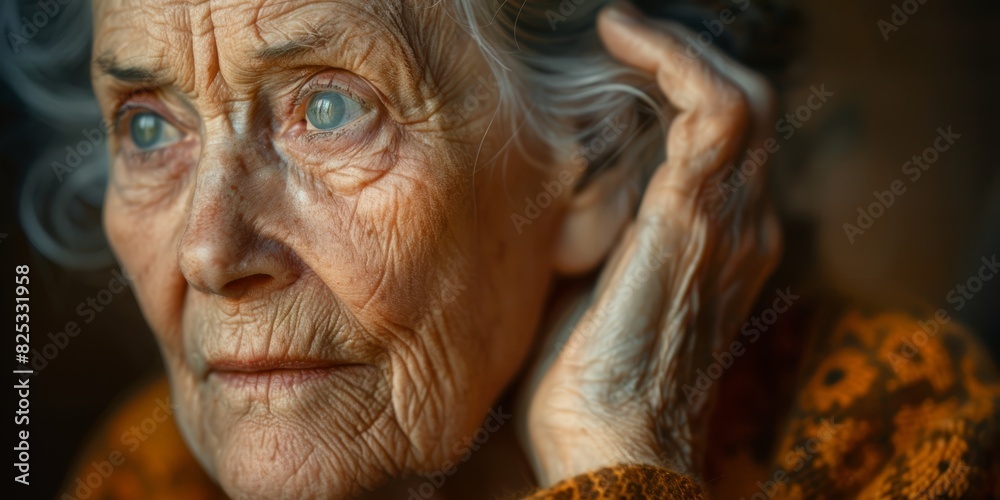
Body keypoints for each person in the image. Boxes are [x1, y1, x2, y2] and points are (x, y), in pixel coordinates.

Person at [65, 0, 998, 498]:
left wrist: (617, 455)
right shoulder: (145, 474)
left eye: (329, 108)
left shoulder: (893, 427)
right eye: (150, 128)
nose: (209, 250)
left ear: (595, 153)